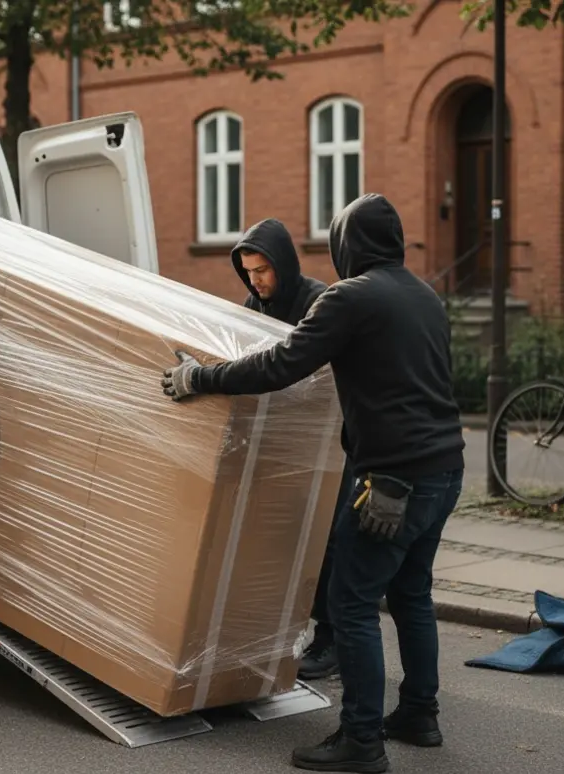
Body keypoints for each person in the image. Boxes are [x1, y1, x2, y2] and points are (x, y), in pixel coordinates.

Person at [162, 193, 466, 773]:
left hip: (391, 480)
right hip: (445, 470)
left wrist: (200, 376)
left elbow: (279, 365)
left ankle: (361, 741)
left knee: (350, 604)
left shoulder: (348, 298)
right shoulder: (424, 296)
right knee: (410, 594)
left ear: (344, 243)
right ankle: (420, 715)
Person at [230, 218, 347, 681]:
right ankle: (296, 632)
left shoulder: (316, 301)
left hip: (327, 446)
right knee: (292, 542)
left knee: (328, 544)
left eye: (262, 270)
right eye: (248, 272)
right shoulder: (253, 303)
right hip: (279, 444)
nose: (256, 281)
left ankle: (333, 638)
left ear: (282, 264)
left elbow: (311, 374)